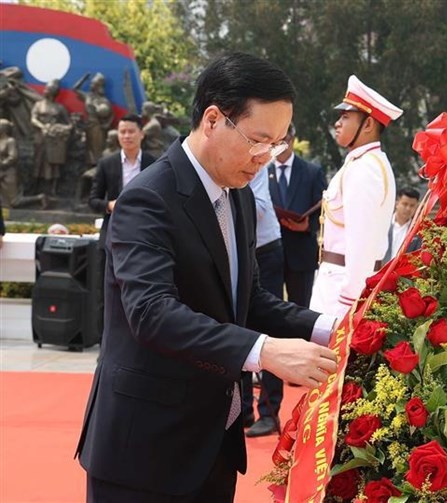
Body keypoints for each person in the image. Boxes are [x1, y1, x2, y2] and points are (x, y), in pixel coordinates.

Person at [76, 52, 338, 503]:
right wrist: (264, 351)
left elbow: (246, 300)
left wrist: (330, 330)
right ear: (214, 119)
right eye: (258, 140)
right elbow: (152, 313)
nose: (264, 158)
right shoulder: (148, 199)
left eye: (276, 144)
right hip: (146, 449)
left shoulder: (234, 194)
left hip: (213, 441)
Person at [309, 75, 402, 319]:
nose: (338, 123)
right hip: (334, 280)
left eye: (346, 116)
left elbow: (361, 243)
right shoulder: (361, 163)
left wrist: (349, 305)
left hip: (342, 290)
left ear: (369, 124)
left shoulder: (365, 169)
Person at [242, 166, 285, 437]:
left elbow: (255, 209)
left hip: (264, 250)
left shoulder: (253, 159)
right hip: (235, 248)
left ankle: (269, 413)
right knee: (236, 326)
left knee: (269, 329)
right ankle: (242, 408)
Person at [268, 122, 327, 308]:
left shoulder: (312, 172)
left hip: (301, 252)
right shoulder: (261, 171)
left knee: (300, 308)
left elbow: (324, 209)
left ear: (292, 139)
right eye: (275, 142)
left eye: (284, 141)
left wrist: (308, 225)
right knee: (269, 308)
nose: (280, 147)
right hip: (270, 253)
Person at [89, 114, 156, 250]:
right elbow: (93, 201)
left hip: (146, 232)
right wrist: (110, 205)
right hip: (114, 231)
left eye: (131, 132)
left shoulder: (154, 164)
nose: (126, 136)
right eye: (122, 132)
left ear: (141, 134)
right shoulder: (106, 164)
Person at [31, 79, 72, 196]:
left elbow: (69, 124)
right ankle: (35, 188)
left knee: (54, 164)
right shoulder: (38, 105)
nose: (46, 91)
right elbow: (33, 119)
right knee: (39, 162)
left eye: (49, 89)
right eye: (46, 88)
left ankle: (53, 189)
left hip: (54, 141)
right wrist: (42, 126)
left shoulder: (59, 108)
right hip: (40, 138)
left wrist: (59, 128)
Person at [75, 72, 114, 165]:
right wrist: (84, 79)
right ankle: (90, 168)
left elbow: (111, 114)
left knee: (97, 148)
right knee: (88, 149)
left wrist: (107, 124)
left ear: (98, 86)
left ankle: (99, 168)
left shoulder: (103, 100)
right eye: (91, 83)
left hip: (97, 126)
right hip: (88, 125)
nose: (91, 85)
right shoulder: (88, 96)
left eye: (93, 84)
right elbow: (75, 89)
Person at [383, 187, 421, 263]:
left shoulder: (418, 231)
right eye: (405, 204)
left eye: (412, 205)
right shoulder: (383, 225)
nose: (408, 208)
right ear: (397, 203)